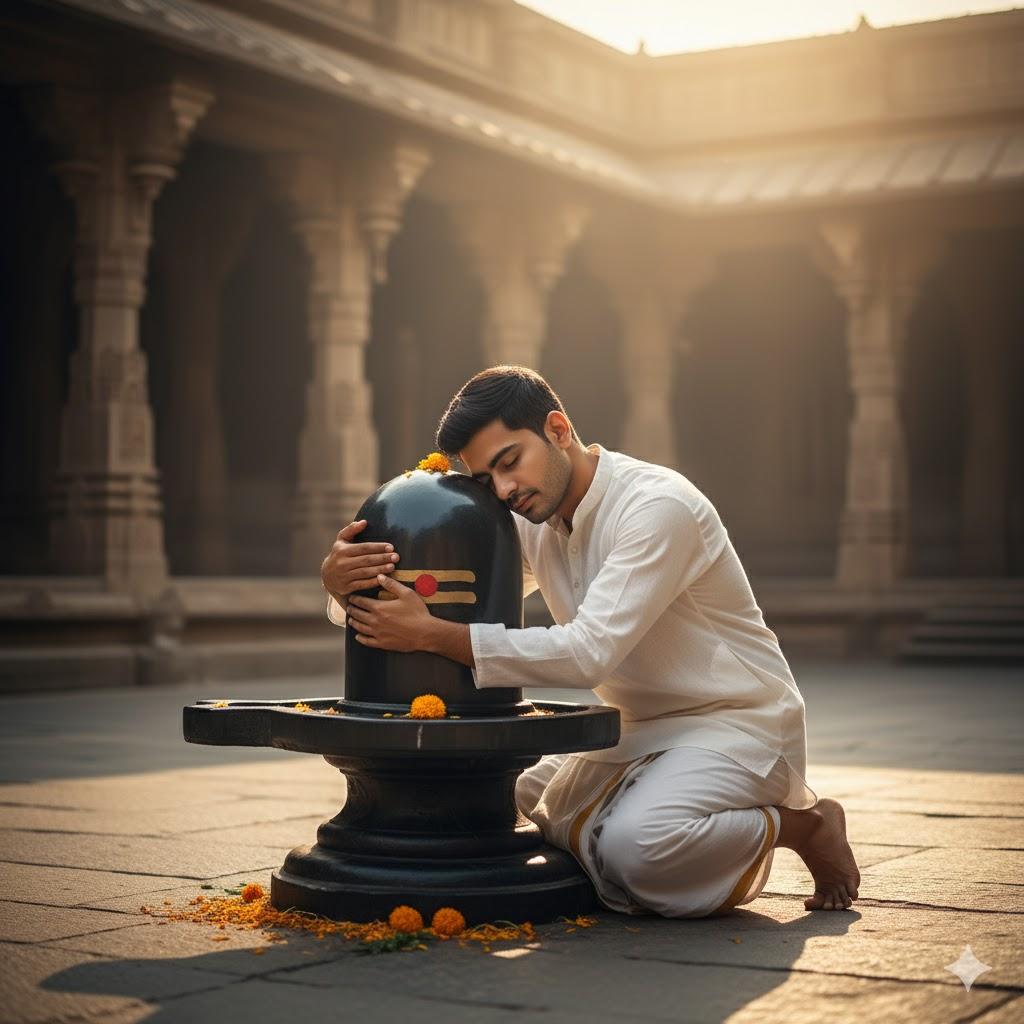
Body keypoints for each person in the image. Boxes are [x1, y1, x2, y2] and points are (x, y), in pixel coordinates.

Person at [320, 365, 861, 917]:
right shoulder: (532, 518)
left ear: (558, 428)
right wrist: (345, 585)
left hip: (738, 724)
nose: (504, 491)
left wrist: (436, 636)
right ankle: (606, 833)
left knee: (637, 849)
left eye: (510, 462)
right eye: (486, 481)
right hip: (632, 729)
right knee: (496, 802)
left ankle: (804, 825)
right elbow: (456, 598)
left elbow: (586, 653)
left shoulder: (656, 507)